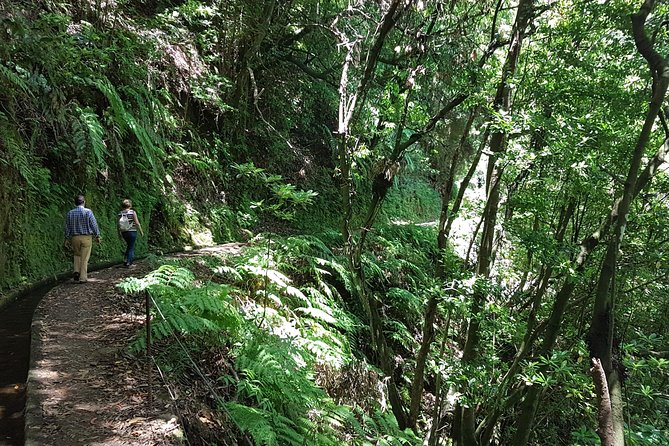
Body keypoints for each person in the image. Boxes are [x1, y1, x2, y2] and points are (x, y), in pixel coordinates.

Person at [64, 195, 102, 283]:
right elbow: (94, 224)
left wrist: (66, 238)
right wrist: (97, 236)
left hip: (74, 238)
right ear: (84, 202)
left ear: (75, 203)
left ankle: (76, 271)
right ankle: (83, 277)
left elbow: (67, 227)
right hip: (86, 237)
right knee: (84, 258)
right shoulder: (88, 212)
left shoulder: (70, 213)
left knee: (77, 255)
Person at [117, 199, 144, 268]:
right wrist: (141, 232)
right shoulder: (132, 212)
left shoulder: (120, 213)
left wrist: (119, 233)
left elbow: (118, 224)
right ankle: (129, 263)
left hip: (124, 232)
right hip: (132, 232)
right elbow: (137, 223)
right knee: (131, 246)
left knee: (129, 246)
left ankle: (126, 260)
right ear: (130, 205)